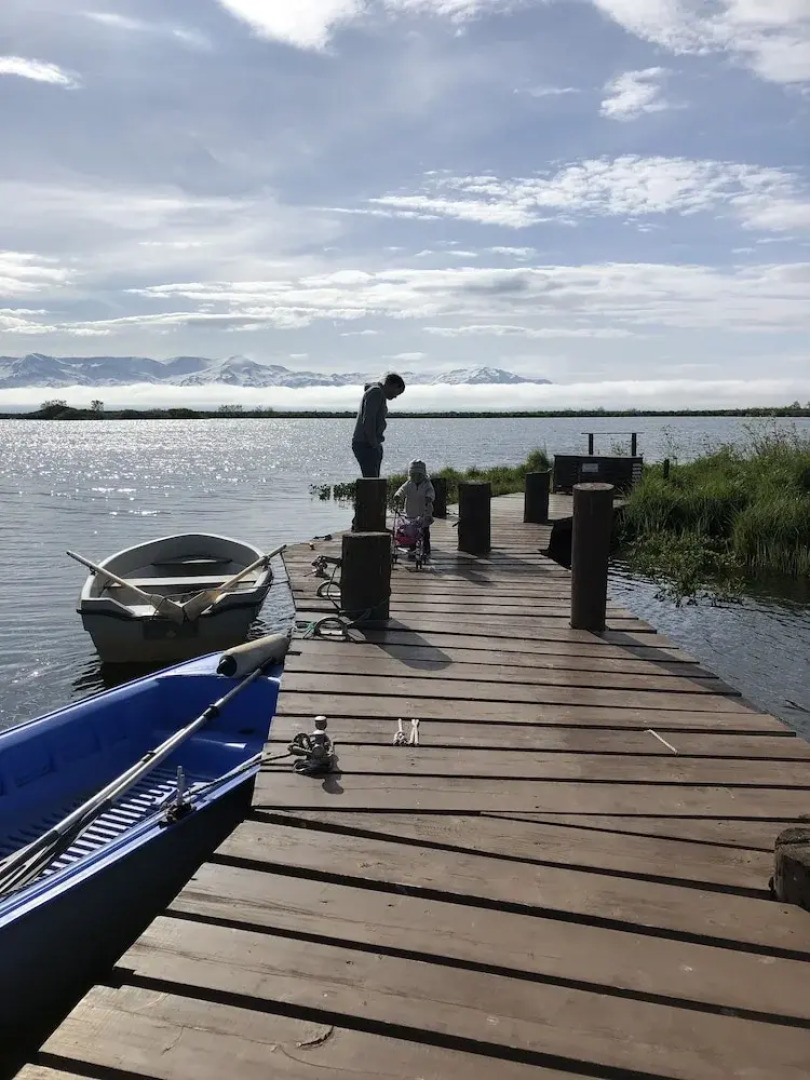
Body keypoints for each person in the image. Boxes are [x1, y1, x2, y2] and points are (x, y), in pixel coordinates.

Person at [352, 373, 405, 478]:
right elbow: (369, 420)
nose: (395, 397)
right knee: (371, 483)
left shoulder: (376, 392)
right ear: (392, 385)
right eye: (397, 392)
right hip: (366, 444)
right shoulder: (376, 393)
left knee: (373, 481)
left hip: (367, 444)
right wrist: (374, 444)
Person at [394, 459, 435, 559]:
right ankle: (412, 548)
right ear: (410, 474)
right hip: (410, 512)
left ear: (423, 475)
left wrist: (429, 497)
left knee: (425, 531)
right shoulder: (408, 484)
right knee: (411, 533)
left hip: (424, 512)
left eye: (419, 475)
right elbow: (402, 490)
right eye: (414, 475)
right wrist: (398, 495)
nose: (416, 477)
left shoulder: (427, 484)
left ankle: (426, 548)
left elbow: (431, 492)